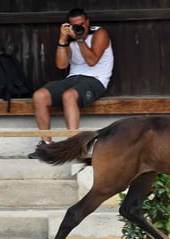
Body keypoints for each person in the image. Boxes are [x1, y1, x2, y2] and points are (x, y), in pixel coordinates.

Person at [28, 8, 114, 159]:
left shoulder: (99, 33)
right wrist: (62, 40)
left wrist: (80, 39)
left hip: (96, 79)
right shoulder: (69, 37)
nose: (80, 28)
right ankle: (46, 145)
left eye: (82, 24)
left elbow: (92, 61)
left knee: (69, 95)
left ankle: (73, 146)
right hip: (73, 78)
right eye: (75, 25)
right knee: (39, 95)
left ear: (88, 22)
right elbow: (61, 65)